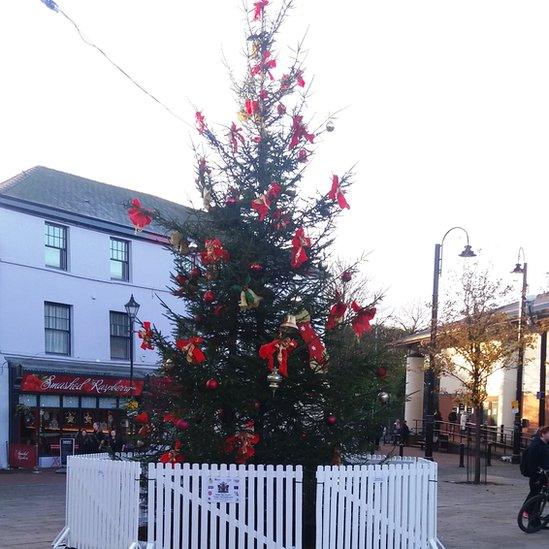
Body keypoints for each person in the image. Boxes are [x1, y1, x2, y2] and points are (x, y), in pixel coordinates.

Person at [523, 426, 549, 517]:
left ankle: (533, 513)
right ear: (543, 434)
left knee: (536, 493)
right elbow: (532, 462)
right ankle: (528, 512)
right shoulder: (536, 445)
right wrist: (536, 474)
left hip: (542, 473)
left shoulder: (545, 444)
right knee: (535, 492)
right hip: (537, 474)